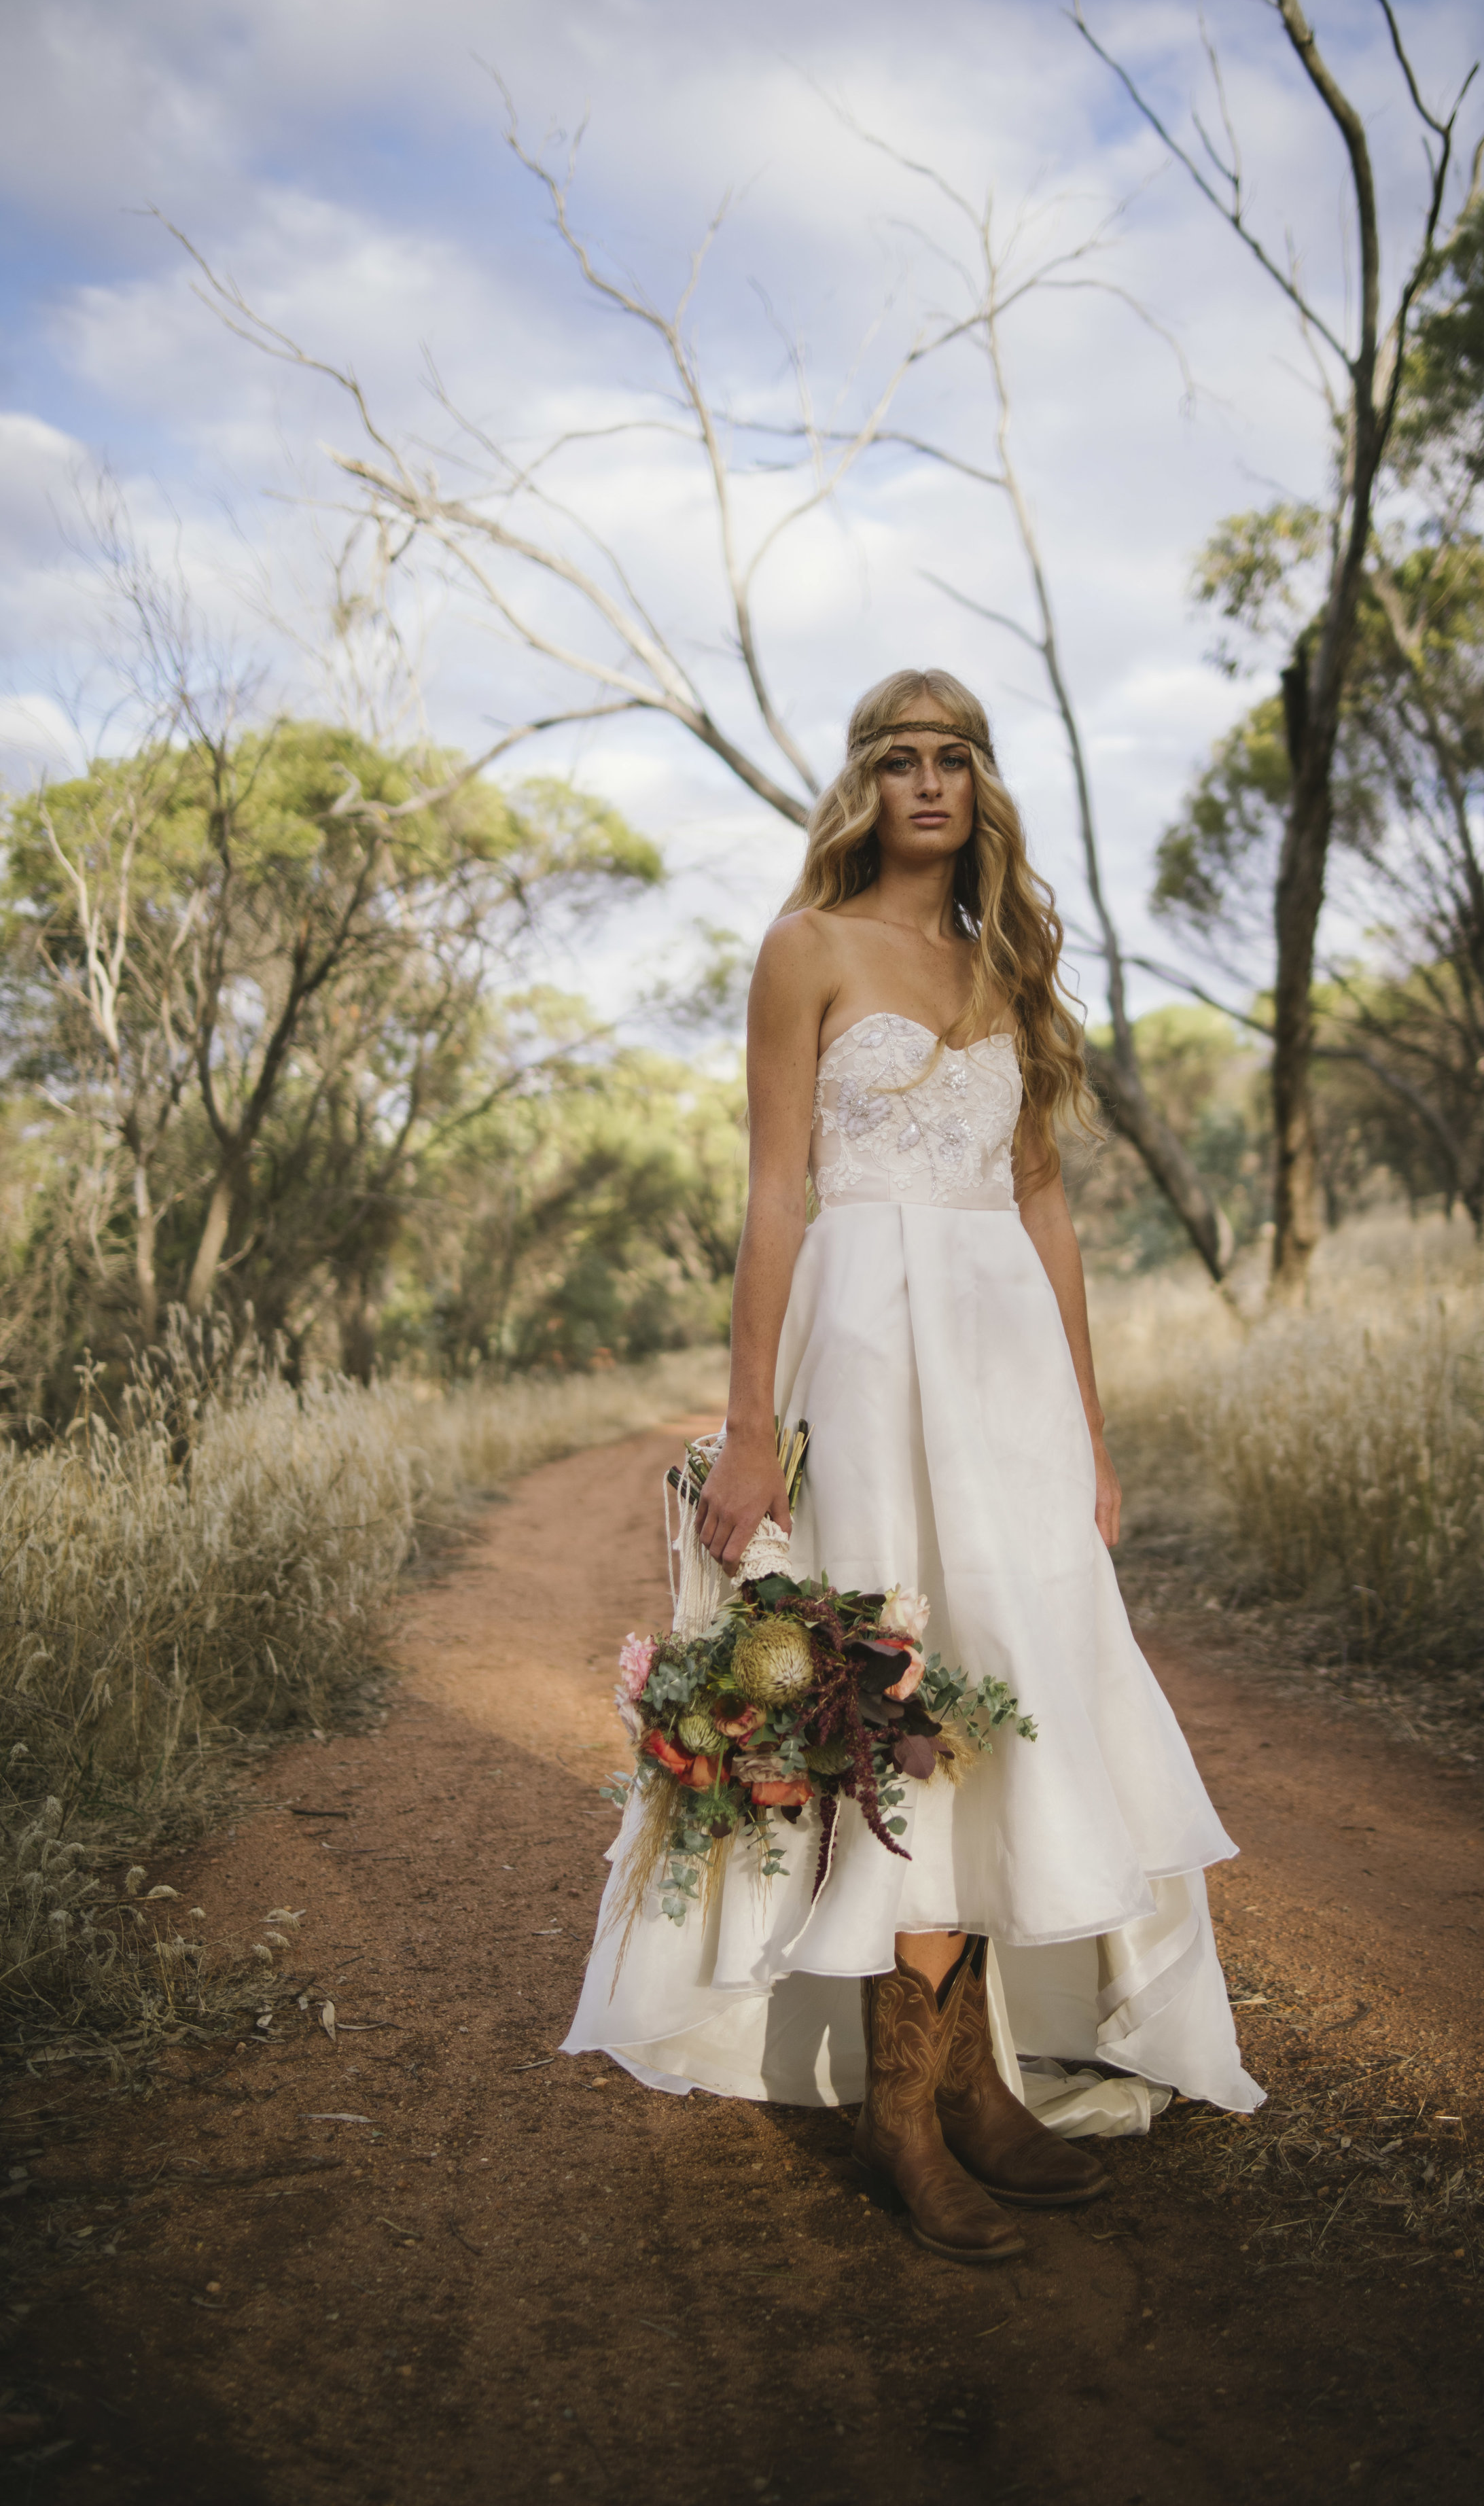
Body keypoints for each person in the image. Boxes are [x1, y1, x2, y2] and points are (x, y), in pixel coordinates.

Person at [564, 668, 1260, 2261]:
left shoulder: (1004, 964)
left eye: (954, 759)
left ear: (980, 786)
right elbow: (774, 1199)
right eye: (899, 760)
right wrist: (750, 1426)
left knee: (1013, 1691)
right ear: (866, 787)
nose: (929, 783)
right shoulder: (803, 950)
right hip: (866, 1362)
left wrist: (1086, 1432)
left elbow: (1043, 1210)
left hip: (1002, 1363)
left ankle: (983, 2083)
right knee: (900, 1705)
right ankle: (902, 2114)